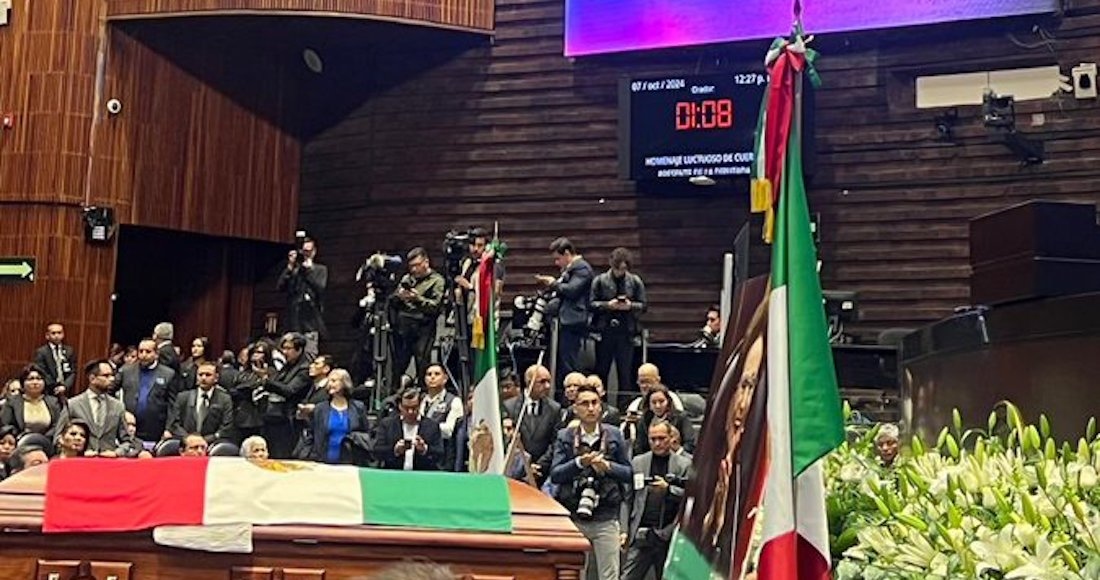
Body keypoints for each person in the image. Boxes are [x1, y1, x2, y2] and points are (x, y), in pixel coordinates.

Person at [549, 384, 632, 580]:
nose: (591, 408)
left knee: (609, 574)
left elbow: (629, 473)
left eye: (595, 403)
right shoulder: (565, 436)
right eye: (584, 404)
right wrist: (579, 463)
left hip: (606, 515)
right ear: (575, 409)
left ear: (601, 406)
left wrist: (608, 467)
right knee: (574, 573)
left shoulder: (614, 434)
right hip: (574, 515)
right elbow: (556, 474)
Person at [621, 421, 692, 580]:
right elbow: (627, 499)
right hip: (641, 533)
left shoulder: (684, 465)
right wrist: (624, 530)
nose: (657, 443)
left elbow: (690, 501)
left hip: (669, 534)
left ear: (671, 438)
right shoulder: (638, 462)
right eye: (653, 439)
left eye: (661, 438)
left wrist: (668, 490)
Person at [590, 247, 646, 401]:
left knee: (625, 373)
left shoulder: (634, 281)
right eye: (617, 268)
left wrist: (630, 306)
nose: (620, 272)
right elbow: (591, 304)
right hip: (605, 330)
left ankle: (625, 406)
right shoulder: (600, 281)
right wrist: (608, 305)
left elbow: (643, 305)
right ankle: (600, 404)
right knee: (602, 370)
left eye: (623, 269)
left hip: (626, 332)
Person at [536, 238, 593, 388]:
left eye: (558, 258)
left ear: (567, 253)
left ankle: (574, 393)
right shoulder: (569, 270)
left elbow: (572, 290)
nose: (556, 263)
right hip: (563, 321)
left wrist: (553, 283)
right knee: (562, 362)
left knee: (570, 362)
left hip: (573, 321)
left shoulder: (582, 269)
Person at [389, 247, 445, 391]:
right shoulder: (407, 279)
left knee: (422, 362)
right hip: (404, 325)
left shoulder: (437, 280)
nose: (414, 269)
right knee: (399, 362)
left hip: (423, 325)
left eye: (417, 265)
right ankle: (395, 392)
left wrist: (417, 299)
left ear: (426, 262)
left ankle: (423, 391)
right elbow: (394, 299)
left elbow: (435, 306)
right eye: (411, 266)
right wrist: (399, 296)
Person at [54, 360, 135, 457]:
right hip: (80, 462)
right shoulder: (73, 404)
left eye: (112, 375)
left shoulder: (118, 406)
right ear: (92, 378)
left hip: (108, 464)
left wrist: (117, 453)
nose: (112, 379)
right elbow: (58, 438)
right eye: (106, 376)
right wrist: (77, 450)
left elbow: (127, 441)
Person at [503, 364, 561, 483]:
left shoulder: (554, 409)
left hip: (541, 473)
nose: (547, 386)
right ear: (529, 382)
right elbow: (508, 441)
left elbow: (554, 442)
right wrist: (525, 466)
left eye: (549, 382)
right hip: (515, 474)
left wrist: (538, 466)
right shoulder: (509, 406)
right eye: (542, 382)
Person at [302, 369, 369, 464]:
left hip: (351, 462)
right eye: (329, 381)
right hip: (323, 462)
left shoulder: (358, 407)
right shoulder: (320, 408)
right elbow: (311, 434)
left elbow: (366, 433)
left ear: (344, 383)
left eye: (334, 381)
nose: (330, 384)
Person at [117, 338, 177, 443]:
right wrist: (121, 411)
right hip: (129, 426)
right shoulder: (126, 371)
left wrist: (169, 429)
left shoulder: (168, 374)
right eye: (141, 351)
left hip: (155, 429)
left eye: (148, 352)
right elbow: (109, 392)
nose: (143, 355)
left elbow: (173, 405)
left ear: (156, 354)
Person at [165, 361, 235, 444]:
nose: (203, 378)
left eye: (208, 375)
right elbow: (175, 423)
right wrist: (189, 439)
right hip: (186, 444)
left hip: (213, 444)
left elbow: (226, 427)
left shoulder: (224, 399)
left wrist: (206, 440)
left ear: (216, 378)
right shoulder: (183, 397)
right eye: (200, 375)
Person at [373, 389, 444, 471]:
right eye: (406, 408)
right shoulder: (387, 425)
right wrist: (395, 450)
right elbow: (377, 451)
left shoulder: (432, 426)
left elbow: (440, 454)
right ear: (400, 406)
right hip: (394, 475)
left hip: (421, 476)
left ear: (420, 405)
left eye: (414, 408)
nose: (410, 412)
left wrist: (424, 449)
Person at [277, 236, 329, 345]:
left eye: (308, 252)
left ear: (314, 252)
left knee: (308, 353)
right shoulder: (295, 270)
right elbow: (280, 286)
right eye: (303, 252)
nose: (306, 255)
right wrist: (290, 267)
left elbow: (320, 288)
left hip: (310, 321)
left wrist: (309, 272)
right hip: (293, 320)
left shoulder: (320, 269)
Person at [0, 364, 63, 438]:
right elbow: (6, 425)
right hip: (19, 441)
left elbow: (57, 425)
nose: (35, 382)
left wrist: (43, 438)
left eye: (39, 379)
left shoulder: (53, 401)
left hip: (47, 442)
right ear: (23, 383)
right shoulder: (12, 402)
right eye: (30, 379)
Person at [419, 364, 463, 470]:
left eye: (437, 374)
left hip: (443, 458)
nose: (432, 377)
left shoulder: (454, 401)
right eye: (429, 374)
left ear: (445, 378)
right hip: (421, 457)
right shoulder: (420, 400)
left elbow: (448, 431)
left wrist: (425, 429)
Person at [633, 385, 695, 456]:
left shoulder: (681, 417)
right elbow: (639, 447)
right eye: (654, 402)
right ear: (649, 404)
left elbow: (689, 444)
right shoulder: (644, 420)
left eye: (661, 401)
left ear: (668, 402)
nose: (658, 406)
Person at [32, 323, 76, 397]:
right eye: (53, 333)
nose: (56, 336)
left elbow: (72, 371)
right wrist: (55, 387)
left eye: (59, 333)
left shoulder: (69, 351)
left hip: (66, 391)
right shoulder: (42, 352)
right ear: (47, 336)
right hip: (48, 391)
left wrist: (65, 386)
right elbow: (42, 372)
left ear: (63, 335)